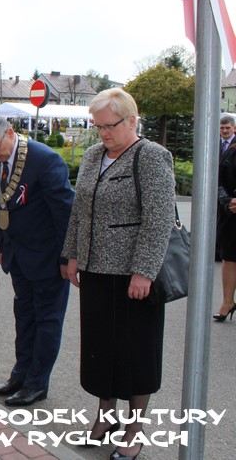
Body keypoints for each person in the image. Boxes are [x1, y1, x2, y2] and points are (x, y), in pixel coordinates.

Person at [62, 88, 175, 459]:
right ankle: (104, 419)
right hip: (96, 270)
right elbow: (80, 211)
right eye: (98, 126)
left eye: (109, 126)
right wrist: (72, 254)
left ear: (132, 120)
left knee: (136, 353)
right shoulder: (94, 155)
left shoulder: (151, 156)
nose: (103, 133)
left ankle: (134, 430)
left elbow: (158, 219)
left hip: (133, 276)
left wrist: (144, 271)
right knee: (100, 350)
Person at [0, 113, 74, 407]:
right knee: (24, 316)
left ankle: (37, 383)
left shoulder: (45, 160)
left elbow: (65, 215)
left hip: (48, 257)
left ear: (10, 132)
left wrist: (68, 257)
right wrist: (1, 245)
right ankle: (20, 375)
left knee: (47, 320)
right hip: (17, 254)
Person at [215, 136, 236, 321]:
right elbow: (218, 181)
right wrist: (227, 201)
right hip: (231, 215)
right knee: (229, 258)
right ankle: (227, 302)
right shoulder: (230, 153)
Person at [216, 115, 236, 261]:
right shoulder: (212, 143)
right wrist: (226, 200)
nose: (224, 131)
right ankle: (217, 250)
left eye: (227, 128)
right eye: (222, 128)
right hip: (224, 198)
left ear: (234, 129)